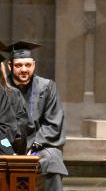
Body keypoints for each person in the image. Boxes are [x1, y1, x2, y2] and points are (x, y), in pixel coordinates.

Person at [6, 40, 68, 191]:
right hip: (6, 145)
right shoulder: (2, 89)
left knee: (52, 159)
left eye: (28, 65)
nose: (24, 70)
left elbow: (53, 123)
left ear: (33, 65)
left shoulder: (46, 87)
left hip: (37, 146)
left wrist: (33, 147)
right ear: (10, 66)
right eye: (18, 65)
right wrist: (8, 150)